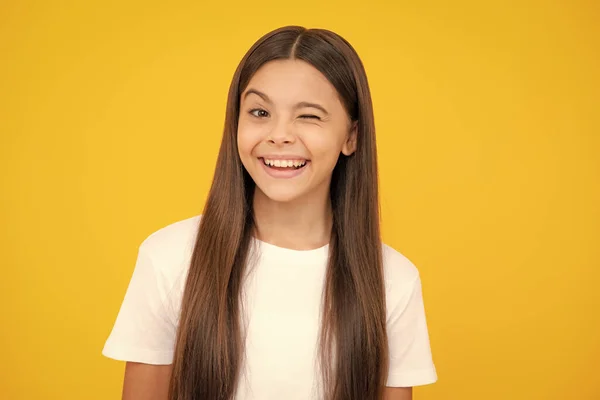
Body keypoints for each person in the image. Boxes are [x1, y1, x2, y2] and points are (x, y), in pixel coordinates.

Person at [102, 25, 437, 400]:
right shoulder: (167, 257)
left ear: (351, 136)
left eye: (308, 116)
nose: (279, 135)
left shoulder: (395, 281)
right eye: (260, 112)